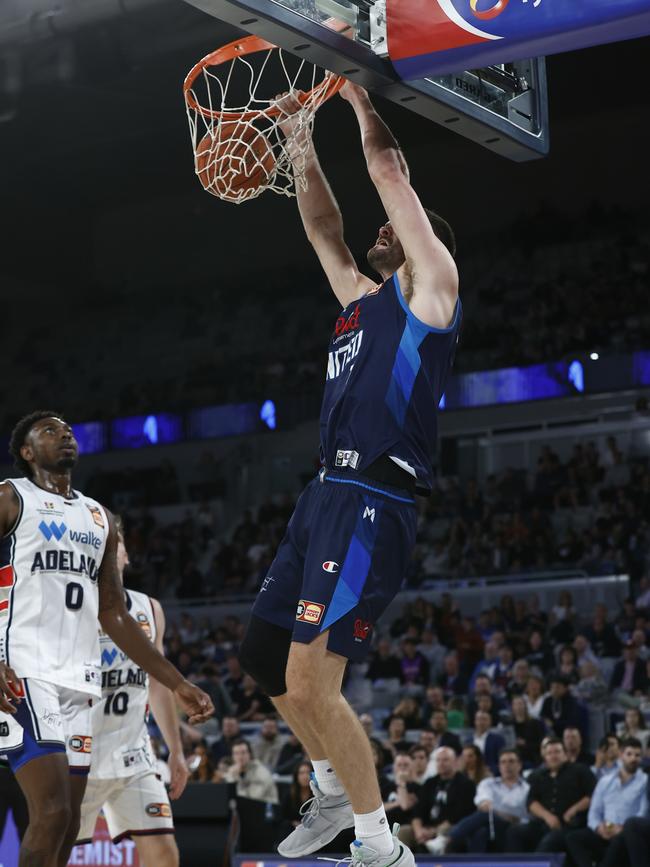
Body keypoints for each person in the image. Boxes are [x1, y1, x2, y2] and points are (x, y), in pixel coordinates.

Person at [238, 80, 460, 867]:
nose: (378, 228)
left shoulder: (429, 294)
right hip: (322, 494)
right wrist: (299, 137)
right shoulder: (359, 300)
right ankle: (332, 790)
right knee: (264, 657)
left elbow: (391, 174)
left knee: (311, 677)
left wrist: (360, 101)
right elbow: (323, 227)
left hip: (374, 497)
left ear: (420, 238)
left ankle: (379, 845)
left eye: (395, 227)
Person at [0, 412, 213, 867]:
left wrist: (176, 683)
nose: (66, 436)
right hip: (23, 672)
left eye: (69, 430)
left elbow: (114, 615)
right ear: (27, 451)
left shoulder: (97, 516)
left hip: (80, 682)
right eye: (51, 431)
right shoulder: (10, 497)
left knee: (67, 822)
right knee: (53, 811)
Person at [74, 517, 189, 864]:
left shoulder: (150, 609)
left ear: (126, 556)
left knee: (165, 854)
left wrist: (176, 750)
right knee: (49, 852)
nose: (110, 549)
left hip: (133, 755)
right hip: (75, 757)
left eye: (116, 542)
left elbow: (158, 683)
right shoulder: (72, 608)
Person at [565, 738, 648, 867]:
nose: (633, 759)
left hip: (626, 833)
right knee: (573, 838)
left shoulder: (645, 781)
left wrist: (621, 829)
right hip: (605, 830)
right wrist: (598, 828)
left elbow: (643, 812)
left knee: (620, 840)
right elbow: (594, 812)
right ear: (621, 755)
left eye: (637, 755)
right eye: (629, 754)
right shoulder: (605, 781)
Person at [505, 737, 595, 855]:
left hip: (570, 825)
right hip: (543, 823)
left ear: (565, 754)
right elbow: (531, 801)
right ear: (545, 757)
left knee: (549, 842)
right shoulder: (538, 775)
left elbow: (593, 795)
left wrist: (574, 809)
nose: (553, 756)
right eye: (549, 753)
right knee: (515, 832)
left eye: (557, 752)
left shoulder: (580, 770)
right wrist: (547, 817)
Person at [448, 749, 529, 854]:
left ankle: (448, 838)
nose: (507, 765)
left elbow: (525, 817)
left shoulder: (527, 788)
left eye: (511, 761)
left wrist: (496, 813)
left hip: (514, 827)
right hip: (491, 825)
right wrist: (499, 814)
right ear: (499, 766)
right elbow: (484, 804)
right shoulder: (488, 784)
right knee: (481, 832)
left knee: (484, 817)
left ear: (519, 765)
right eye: (503, 762)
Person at [410, 746, 475, 855]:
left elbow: (462, 813)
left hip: (449, 827)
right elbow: (418, 810)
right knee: (404, 832)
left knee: (448, 831)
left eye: (445, 760)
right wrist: (418, 831)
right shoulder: (430, 783)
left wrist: (433, 831)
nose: (441, 763)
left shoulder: (466, 784)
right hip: (426, 827)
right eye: (438, 760)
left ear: (455, 762)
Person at [381, 753, 421, 845]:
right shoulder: (386, 786)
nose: (402, 768)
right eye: (399, 765)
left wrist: (401, 783)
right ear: (394, 768)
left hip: (404, 826)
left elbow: (405, 806)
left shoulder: (418, 788)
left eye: (406, 765)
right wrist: (397, 802)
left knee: (402, 832)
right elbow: (378, 807)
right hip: (384, 825)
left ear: (412, 767)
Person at [225, 739, 279, 804]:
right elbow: (227, 796)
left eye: (243, 752)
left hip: (265, 809)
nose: (240, 757)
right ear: (232, 756)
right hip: (246, 809)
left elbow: (250, 798)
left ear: (250, 754)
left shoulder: (261, 772)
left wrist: (235, 778)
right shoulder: (232, 770)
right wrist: (232, 777)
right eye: (236, 753)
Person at [510, 695, 546, 768]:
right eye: (516, 704)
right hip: (513, 758)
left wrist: (526, 743)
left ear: (525, 706)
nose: (518, 707)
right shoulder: (509, 724)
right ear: (512, 707)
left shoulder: (535, 723)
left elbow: (541, 742)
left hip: (532, 759)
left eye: (520, 704)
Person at [468, 711, 505, 775]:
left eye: (484, 720)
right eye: (479, 719)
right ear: (475, 722)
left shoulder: (498, 740)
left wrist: (491, 771)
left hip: (490, 774)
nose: (481, 722)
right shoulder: (468, 741)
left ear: (490, 722)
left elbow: (501, 760)